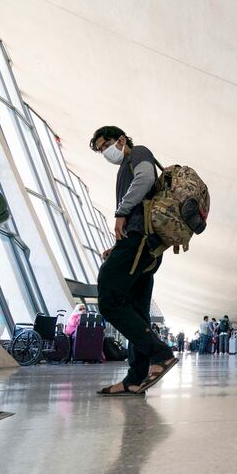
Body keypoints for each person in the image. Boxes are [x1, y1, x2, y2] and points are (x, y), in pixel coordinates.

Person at [90, 126, 177, 396]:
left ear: (121, 139)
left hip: (140, 240)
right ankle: (135, 377)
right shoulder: (124, 166)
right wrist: (116, 246)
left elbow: (146, 178)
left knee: (109, 297)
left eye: (105, 145)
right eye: (100, 150)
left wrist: (121, 211)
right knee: (137, 311)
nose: (105, 152)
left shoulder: (138, 153)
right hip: (141, 243)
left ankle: (160, 354)